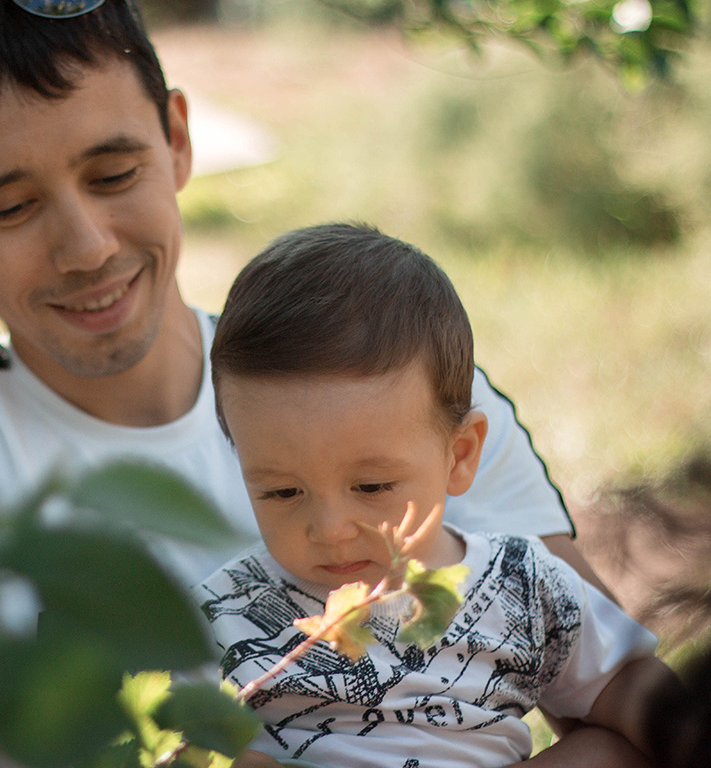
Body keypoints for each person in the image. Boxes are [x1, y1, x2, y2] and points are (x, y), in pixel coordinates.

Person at [0, 0, 639, 763]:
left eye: (114, 174)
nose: (85, 247)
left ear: (179, 138)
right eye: (10, 207)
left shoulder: (399, 392)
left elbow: (622, 717)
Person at [196, 223, 677, 767]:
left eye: (372, 486)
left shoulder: (521, 584)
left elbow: (627, 683)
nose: (330, 527)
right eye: (282, 491)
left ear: (461, 454)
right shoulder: (222, 615)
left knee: (608, 753)